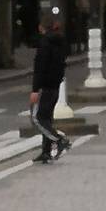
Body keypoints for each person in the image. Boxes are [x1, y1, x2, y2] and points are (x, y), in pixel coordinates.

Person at [29, 12, 71, 164]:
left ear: (41, 27)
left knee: (37, 118)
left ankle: (58, 140)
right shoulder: (60, 43)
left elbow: (40, 68)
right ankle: (46, 151)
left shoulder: (44, 44)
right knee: (47, 118)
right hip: (55, 85)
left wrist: (35, 89)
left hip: (44, 86)